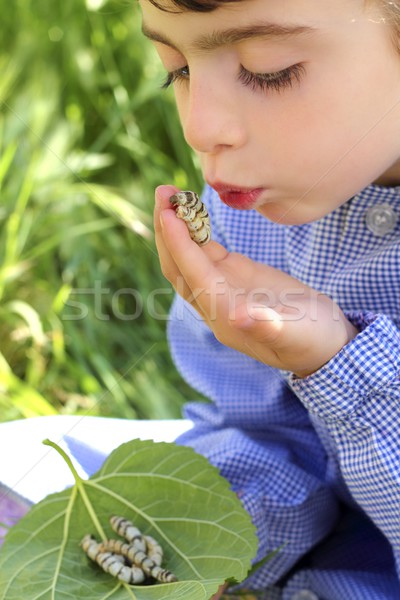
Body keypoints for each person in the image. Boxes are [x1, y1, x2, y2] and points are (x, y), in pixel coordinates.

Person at [139, 0, 400, 598]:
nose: (199, 128)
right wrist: (203, 547)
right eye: (175, 68)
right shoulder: (244, 219)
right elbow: (263, 432)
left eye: (269, 70)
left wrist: (337, 361)